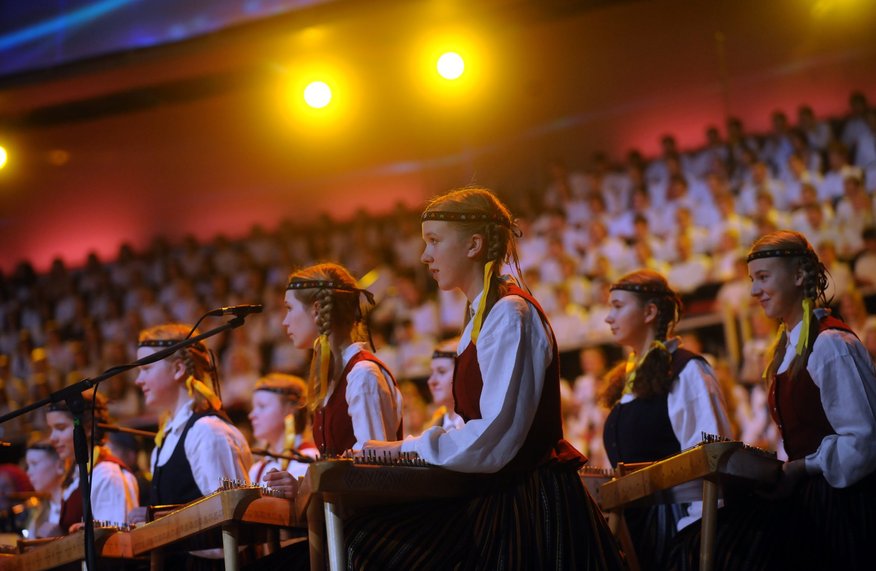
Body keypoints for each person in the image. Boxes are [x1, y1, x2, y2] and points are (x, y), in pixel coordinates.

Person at [351, 187, 625, 569]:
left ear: (473, 244)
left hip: (525, 503)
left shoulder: (511, 315)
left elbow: (495, 436)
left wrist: (399, 449)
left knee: (368, 545)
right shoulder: (481, 316)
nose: (424, 256)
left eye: (434, 241)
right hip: (500, 493)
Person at [671, 230, 876, 570]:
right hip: (812, 500)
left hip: (844, 506)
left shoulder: (830, 345)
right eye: (752, 280)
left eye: (763, 277)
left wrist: (803, 467)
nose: (754, 291)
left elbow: (865, 441)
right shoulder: (787, 349)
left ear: (798, 275)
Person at [601, 269, 731, 570]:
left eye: (618, 306)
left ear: (650, 312)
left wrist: (697, 540)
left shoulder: (688, 370)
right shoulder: (628, 380)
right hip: (638, 535)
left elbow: (712, 458)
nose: (608, 317)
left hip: (682, 530)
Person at [128, 324, 251, 523]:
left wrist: (157, 517)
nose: (138, 380)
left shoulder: (207, 431)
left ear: (178, 368)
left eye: (146, 368)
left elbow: (232, 515)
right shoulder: (167, 438)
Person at [282, 263, 403, 457]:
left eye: (289, 308)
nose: (285, 321)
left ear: (317, 309)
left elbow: (376, 464)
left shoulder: (362, 374)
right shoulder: (333, 374)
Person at [46, 390, 138, 534]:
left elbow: (115, 540)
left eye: (61, 428)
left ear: (88, 428)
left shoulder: (107, 475)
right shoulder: (75, 475)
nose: (52, 438)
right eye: (51, 430)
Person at [248, 373, 316, 485]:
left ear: (290, 409)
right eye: (253, 408)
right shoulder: (258, 469)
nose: (251, 415)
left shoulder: (308, 460)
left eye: (262, 406)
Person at [23, 440, 66, 538]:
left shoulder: (74, 504)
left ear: (59, 466)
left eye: (34, 464)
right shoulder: (40, 513)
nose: (28, 472)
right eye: (28, 466)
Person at [425, 338, 463, 432]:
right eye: (431, 373)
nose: (431, 381)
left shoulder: (480, 424)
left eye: (441, 372)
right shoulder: (432, 429)